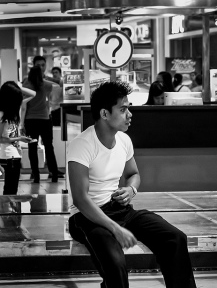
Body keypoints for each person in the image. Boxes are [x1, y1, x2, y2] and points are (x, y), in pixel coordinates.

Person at [67, 81, 197, 288]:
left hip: (120, 210)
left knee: (174, 238)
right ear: (104, 114)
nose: (130, 114)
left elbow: (133, 174)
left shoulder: (124, 141)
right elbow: (81, 200)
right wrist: (115, 229)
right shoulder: (81, 145)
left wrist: (130, 189)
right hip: (87, 218)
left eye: (128, 108)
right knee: (116, 264)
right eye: (123, 109)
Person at [22, 66, 61, 183]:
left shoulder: (26, 86)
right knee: (49, 147)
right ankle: (54, 174)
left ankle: (36, 176)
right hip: (45, 120)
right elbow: (58, 86)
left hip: (30, 120)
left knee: (32, 148)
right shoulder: (46, 85)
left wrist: (22, 123)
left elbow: (24, 107)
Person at [0, 81, 36, 195]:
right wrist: (19, 138)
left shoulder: (14, 108)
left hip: (13, 155)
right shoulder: (2, 114)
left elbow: (33, 94)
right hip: (8, 156)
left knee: (11, 189)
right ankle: (8, 211)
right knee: (11, 190)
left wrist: (18, 86)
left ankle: (9, 211)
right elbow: (0, 139)